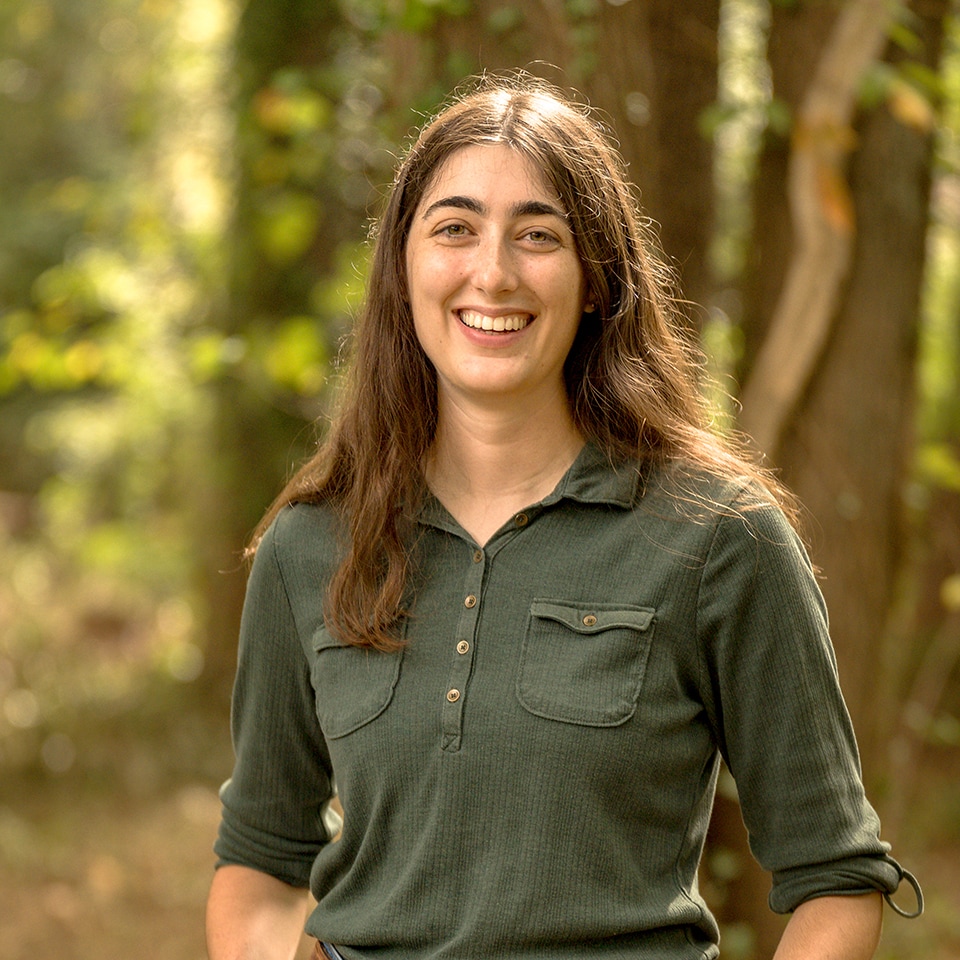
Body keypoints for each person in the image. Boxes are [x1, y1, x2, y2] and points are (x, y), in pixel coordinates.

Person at [205, 74, 922, 960]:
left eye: (538, 234)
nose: (493, 272)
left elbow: (837, 879)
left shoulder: (717, 537)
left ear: (594, 281)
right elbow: (261, 857)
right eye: (455, 228)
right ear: (402, 268)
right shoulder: (311, 542)